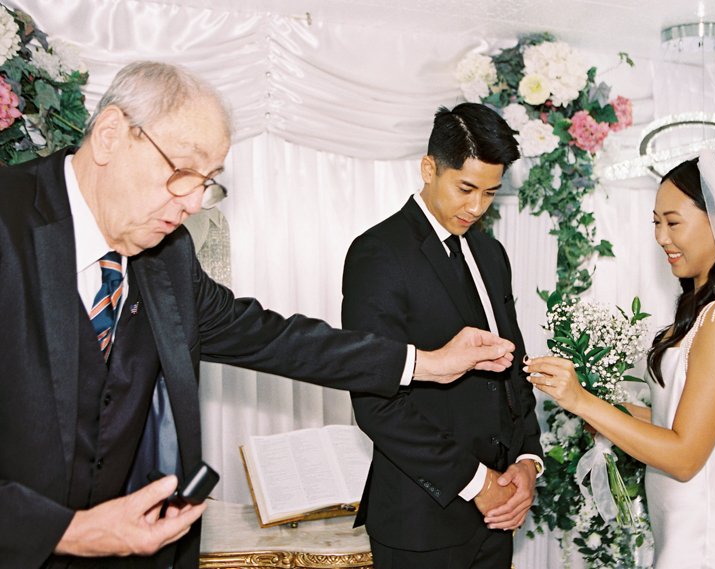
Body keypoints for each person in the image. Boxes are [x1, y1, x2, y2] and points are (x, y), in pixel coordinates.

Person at [0, 62, 518, 569]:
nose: (193, 204)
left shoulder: (169, 257)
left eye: (208, 182)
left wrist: (424, 363)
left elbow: (274, 338)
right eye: (182, 173)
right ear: (111, 134)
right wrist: (67, 532)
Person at [526, 151, 715, 569]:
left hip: (709, 545)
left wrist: (579, 400)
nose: (661, 237)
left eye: (673, 222)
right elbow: (675, 423)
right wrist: (606, 408)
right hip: (684, 535)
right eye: (656, 223)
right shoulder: (702, 311)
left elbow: (684, 456)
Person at [341, 102, 543, 569]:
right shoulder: (378, 253)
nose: (476, 208)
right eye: (466, 188)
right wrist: (478, 484)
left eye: (490, 194)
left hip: (497, 518)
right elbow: (376, 403)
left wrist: (528, 461)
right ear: (429, 168)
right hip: (421, 522)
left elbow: (513, 368)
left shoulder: (491, 253)